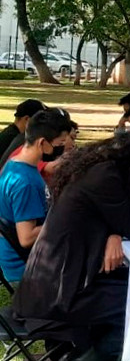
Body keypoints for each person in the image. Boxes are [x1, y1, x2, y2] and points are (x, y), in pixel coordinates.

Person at [14, 132, 130, 358]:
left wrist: (114, 234)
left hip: (51, 283)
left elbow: (118, 216)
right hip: (58, 293)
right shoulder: (105, 176)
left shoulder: (99, 169)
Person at [0, 109, 71, 283]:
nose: (62, 147)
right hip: (25, 266)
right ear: (42, 143)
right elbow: (26, 238)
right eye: (60, 142)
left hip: (18, 256)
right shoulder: (26, 182)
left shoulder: (14, 164)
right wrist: (65, 219)